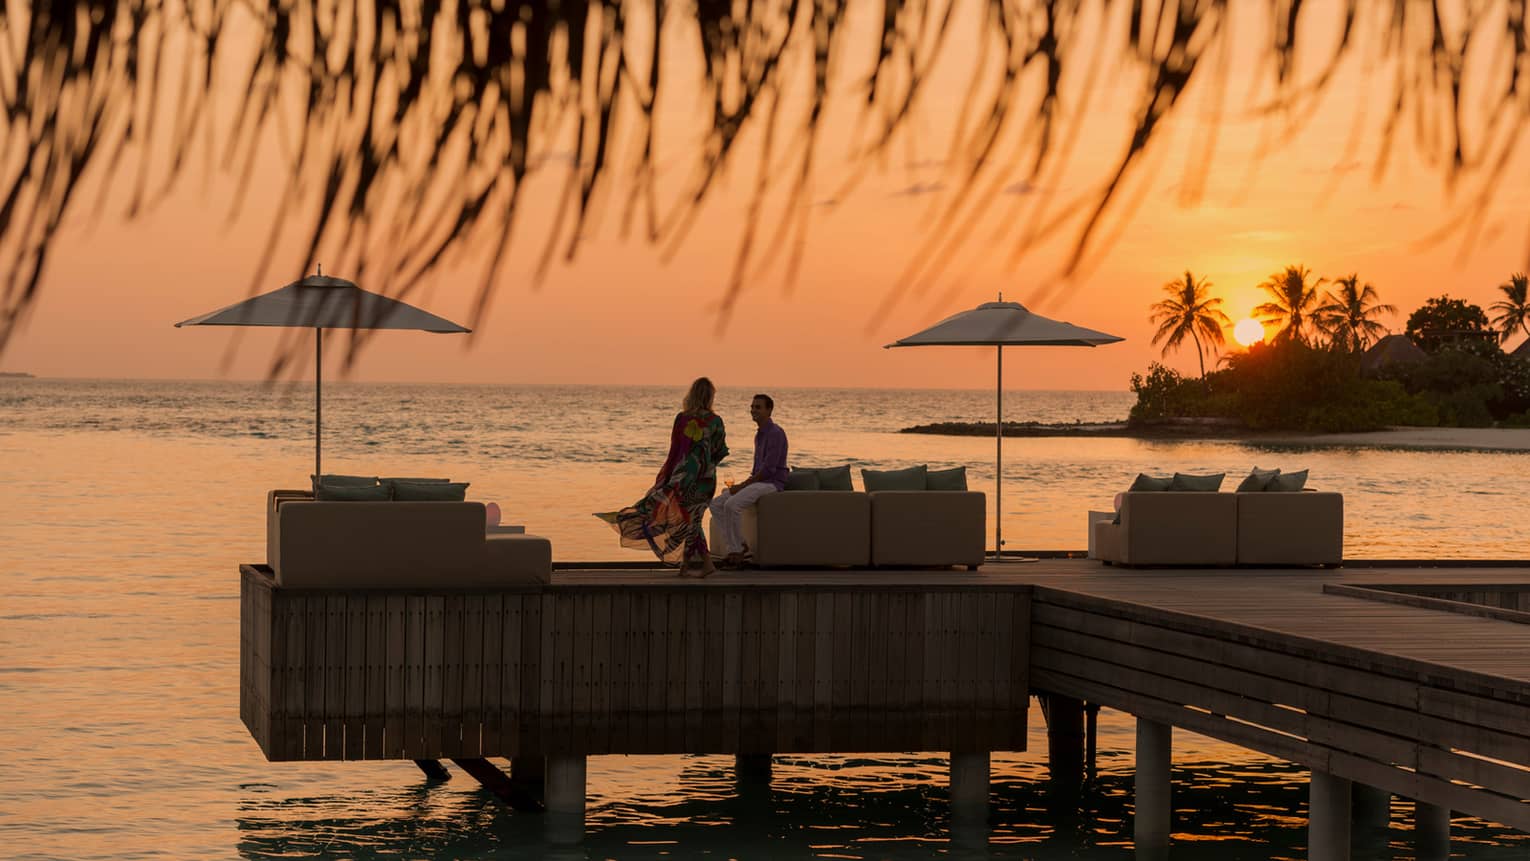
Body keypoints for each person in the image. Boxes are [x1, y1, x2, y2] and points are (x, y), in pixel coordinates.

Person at [597, 377, 729, 576]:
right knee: (692, 520)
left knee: (689, 520)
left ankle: (697, 565)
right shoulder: (715, 421)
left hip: (683, 478)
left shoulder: (682, 418)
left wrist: (668, 476)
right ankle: (697, 565)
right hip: (705, 481)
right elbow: (720, 451)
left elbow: (675, 450)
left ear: (692, 394)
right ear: (710, 396)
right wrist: (705, 465)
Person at [709, 393, 787, 568]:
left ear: (769, 410)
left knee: (731, 505)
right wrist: (744, 485)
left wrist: (743, 486)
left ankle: (736, 552)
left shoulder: (775, 433)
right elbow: (757, 470)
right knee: (715, 504)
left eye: (758, 407)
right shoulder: (759, 434)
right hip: (759, 481)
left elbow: (768, 470)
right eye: (752, 407)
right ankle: (740, 546)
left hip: (772, 483)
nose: (753, 410)